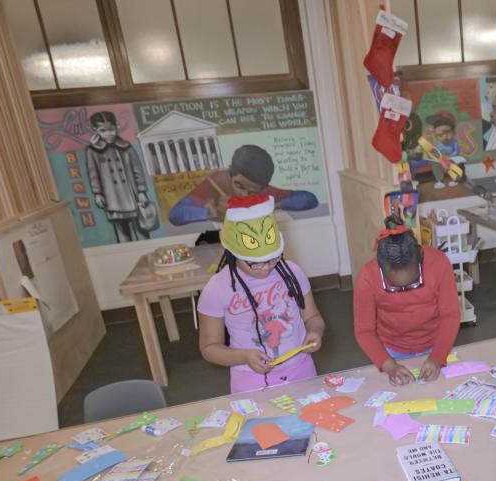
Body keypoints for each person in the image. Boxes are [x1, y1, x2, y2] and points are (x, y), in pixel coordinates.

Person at [197, 194, 325, 393]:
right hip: (251, 380)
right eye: (255, 263)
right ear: (235, 254)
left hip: (301, 370)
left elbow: (313, 317)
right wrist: (244, 356)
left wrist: (316, 332)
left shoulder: (291, 272)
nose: (266, 268)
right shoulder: (217, 288)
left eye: (273, 259)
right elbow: (209, 348)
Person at [353, 215, 460, 386]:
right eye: (395, 287)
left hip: (437, 343)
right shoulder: (367, 277)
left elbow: (450, 316)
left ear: (420, 258)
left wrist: (437, 357)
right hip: (390, 350)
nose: (404, 291)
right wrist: (388, 365)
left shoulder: (439, 263)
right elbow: (364, 331)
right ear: (380, 267)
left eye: (413, 283)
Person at [168, 144, 318, 226]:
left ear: (262, 187)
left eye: (252, 192)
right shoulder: (214, 182)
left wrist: (273, 205)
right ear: (231, 173)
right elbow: (175, 214)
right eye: (239, 185)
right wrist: (209, 212)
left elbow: (309, 199)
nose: (244, 195)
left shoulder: (265, 191)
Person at [85, 111, 151, 243]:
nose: (108, 133)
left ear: (117, 127)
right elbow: (93, 175)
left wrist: (142, 191)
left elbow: (137, 170)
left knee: (142, 230)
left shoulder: (126, 147)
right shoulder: (92, 151)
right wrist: (97, 194)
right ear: (95, 130)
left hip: (132, 195)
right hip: (112, 197)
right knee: (121, 231)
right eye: (103, 130)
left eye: (111, 129)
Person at [427, 112, 467, 189]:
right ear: (437, 136)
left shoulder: (454, 142)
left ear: (453, 133)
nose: (445, 137)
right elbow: (436, 153)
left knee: (458, 163)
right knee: (435, 163)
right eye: (441, 135)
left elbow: (456, 152)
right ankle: (439, 181)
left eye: (448, 133)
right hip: (443, 163)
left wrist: (450, 157)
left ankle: (455, 179)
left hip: (452, 162)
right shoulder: (438, 144)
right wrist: (435, 156)